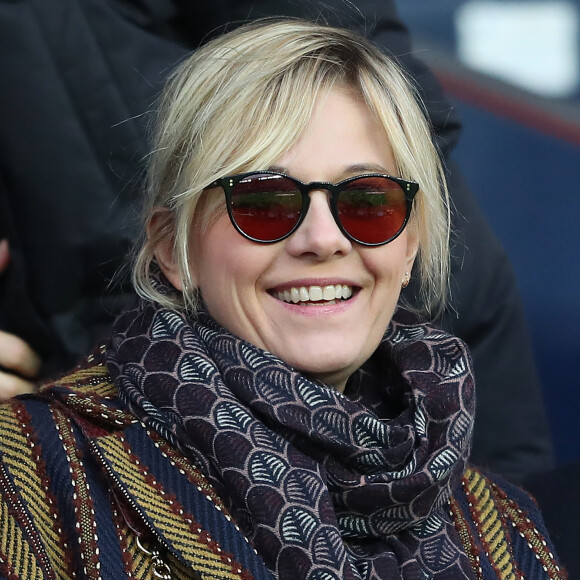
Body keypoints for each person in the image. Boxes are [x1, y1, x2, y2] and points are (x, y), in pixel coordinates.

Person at [0, 19, 564, 579]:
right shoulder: (31, 478)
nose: (323, 240)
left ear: (410, 244)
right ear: (171, 247)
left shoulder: (508, 531)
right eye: (264, 202)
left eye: (369, 202)